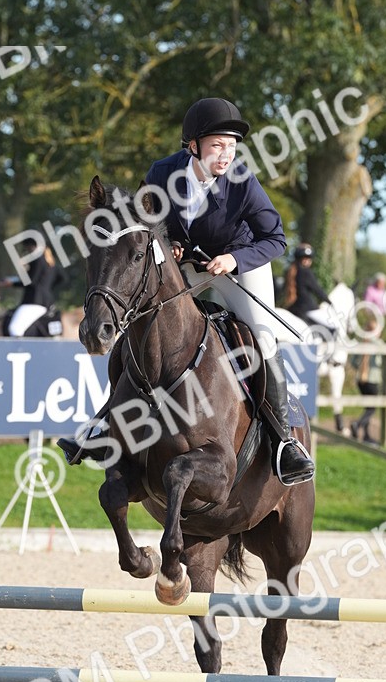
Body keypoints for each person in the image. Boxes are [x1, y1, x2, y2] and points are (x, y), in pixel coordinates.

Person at [59, 97, 314, 485]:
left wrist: (233, 259)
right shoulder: (162, 173)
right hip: (188, 270)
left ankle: (284, 441)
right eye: (217, 145)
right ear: (193, 146)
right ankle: (106, 425)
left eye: (231, 146)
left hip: (240, 268)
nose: (226, 154)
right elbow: (148, 227)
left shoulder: (242, 182)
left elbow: (275, 238)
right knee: (141, 325)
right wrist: (170, 243)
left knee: (262, 338)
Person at [6, 245, 65, 337]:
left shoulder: (37, 260)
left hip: (34, 301)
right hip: (47, 302)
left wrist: (12, 283)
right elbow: (63, 278)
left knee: (14, 329)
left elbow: (31, 281)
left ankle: (20, 350)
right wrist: (47, 289)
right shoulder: (52, 263)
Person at [284, 245, 331, 321]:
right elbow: (317, 290)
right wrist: (329, 301)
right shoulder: (306, 272)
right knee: (332, 327)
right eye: (305, 258)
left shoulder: (289, 272)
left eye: (309, 258)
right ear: (300, 259)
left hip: (293, 308)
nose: (307, 261)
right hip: (307, 308)